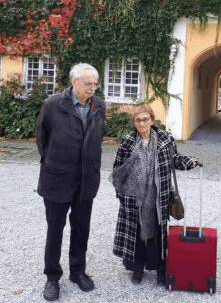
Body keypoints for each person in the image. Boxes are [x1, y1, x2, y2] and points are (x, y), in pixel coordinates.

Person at [36, 63, 105, 301]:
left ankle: (77, 272)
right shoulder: (53, 105)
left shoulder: (99, 105)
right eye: (88, 84)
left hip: (86, 178)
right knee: (55, 229)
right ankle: (52, 276)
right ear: (74, 81)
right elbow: (41, 138)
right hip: (58, 178)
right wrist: (54, 163)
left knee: (81, 228)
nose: (92, 89)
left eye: (95, 84)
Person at [110, 104, 197, 286]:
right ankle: (137, 268)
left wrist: (189, 162)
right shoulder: (127, 142)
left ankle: (159, 268)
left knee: (158, 232)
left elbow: (175, 159)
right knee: (135, 230)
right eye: (137, 120)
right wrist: (122, 192)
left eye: (145, 119)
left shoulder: (165, 139)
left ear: (152, 120)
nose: (141, 123)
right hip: (134, 196)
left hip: (158, 194)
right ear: (134, 122)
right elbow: (118, 169)